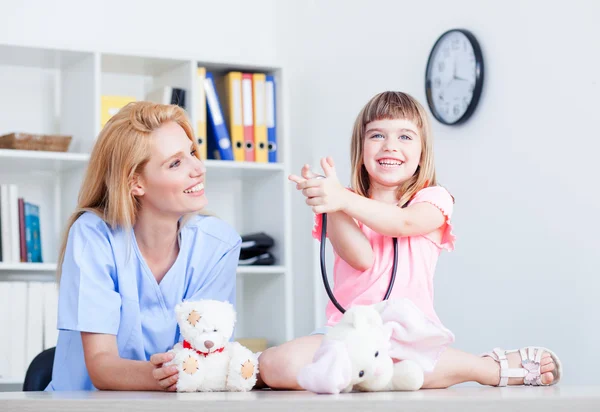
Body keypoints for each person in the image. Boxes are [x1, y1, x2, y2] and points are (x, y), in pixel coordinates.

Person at [258, 91, 562, 390]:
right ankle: (375, 374)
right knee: (276, 365)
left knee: (413, 365)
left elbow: (403, 224)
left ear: (422, 152)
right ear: (361, 149)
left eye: (405, 137)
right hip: (348, 332)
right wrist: (332, 203)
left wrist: (341, 200)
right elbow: (361, 258)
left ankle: (487, 368)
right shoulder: (344, 203)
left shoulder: (433, 199)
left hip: (408, 337)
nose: (390, 146)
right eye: (377, 135)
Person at [45, 102, 241, 391]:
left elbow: (206, 348)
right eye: (176, 163)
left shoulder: (218, 244)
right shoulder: (93, 236)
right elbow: (101, 365)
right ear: (135, 182)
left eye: (192, 153)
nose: (198, 168)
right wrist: (166, 375)